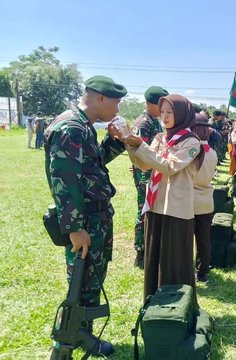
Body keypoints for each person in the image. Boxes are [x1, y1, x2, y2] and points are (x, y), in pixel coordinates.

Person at [44, 75, 128, 356]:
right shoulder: (71, 127)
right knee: (78, 287)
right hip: (86, 222)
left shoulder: (84, 126)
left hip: (96, 219)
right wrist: (75, 227)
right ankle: (64, 344)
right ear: (100, 98)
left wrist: (114, 143)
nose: (117, 109)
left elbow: (91, 166)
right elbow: (64, 180)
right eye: (115, 102)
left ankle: (83, 336)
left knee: (90, 285)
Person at [123, 94, 204, 301]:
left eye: (170, 112)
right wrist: (130, 145)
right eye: (162, 112)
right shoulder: (160, 137)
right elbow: (145, 164)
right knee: (154, 257)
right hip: (155, 203)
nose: (165, 116)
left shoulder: (191, 141)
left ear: (182, 114)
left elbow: (169, 166)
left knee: (174, 259)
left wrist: (140, 145)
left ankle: (177, 306)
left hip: (176, 207)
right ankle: (153, 301)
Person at [131, 86, 169, 268]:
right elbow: (138, 153)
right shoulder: (143, 123)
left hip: (153, 173)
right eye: (160, 105)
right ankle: (140, 251)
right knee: (143, 211)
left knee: (150, 211)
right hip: (145, 175)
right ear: (150, 103)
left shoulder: (154, 122)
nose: (163, 111)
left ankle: (150, 247)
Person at [192, 114, 218, 283]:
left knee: (186, 241)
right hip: (207, 201)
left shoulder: (191, 152)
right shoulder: (213, 153)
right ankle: (202, 272)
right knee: (203, 240)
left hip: (190, 201)